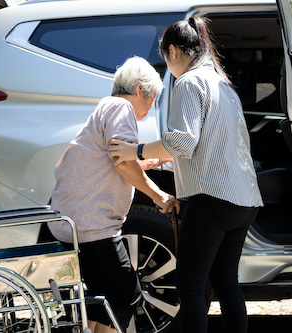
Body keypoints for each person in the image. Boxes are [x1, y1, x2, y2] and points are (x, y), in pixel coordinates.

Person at [109, 16, 263, 333]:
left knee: (190, 286)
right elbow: (212, 146)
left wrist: (134, 150)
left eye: (166, 58)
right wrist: (160, 160)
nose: (168, 67)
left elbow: (183, 140)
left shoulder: (189, 82)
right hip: (244, 200)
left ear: (174, 51)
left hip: (211, 200)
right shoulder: (224, 85)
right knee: (226, 282)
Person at [48, 56, 179, 333]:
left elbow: (111, 159)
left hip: (77, 221)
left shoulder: (106, 107)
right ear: (140, 89)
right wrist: (159, 196)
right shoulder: (121, 107)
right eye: (152, 98)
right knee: (125, 294)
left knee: (101, 299)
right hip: (92, 225)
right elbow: (122, 163)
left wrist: (145, 163)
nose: (150, 107)